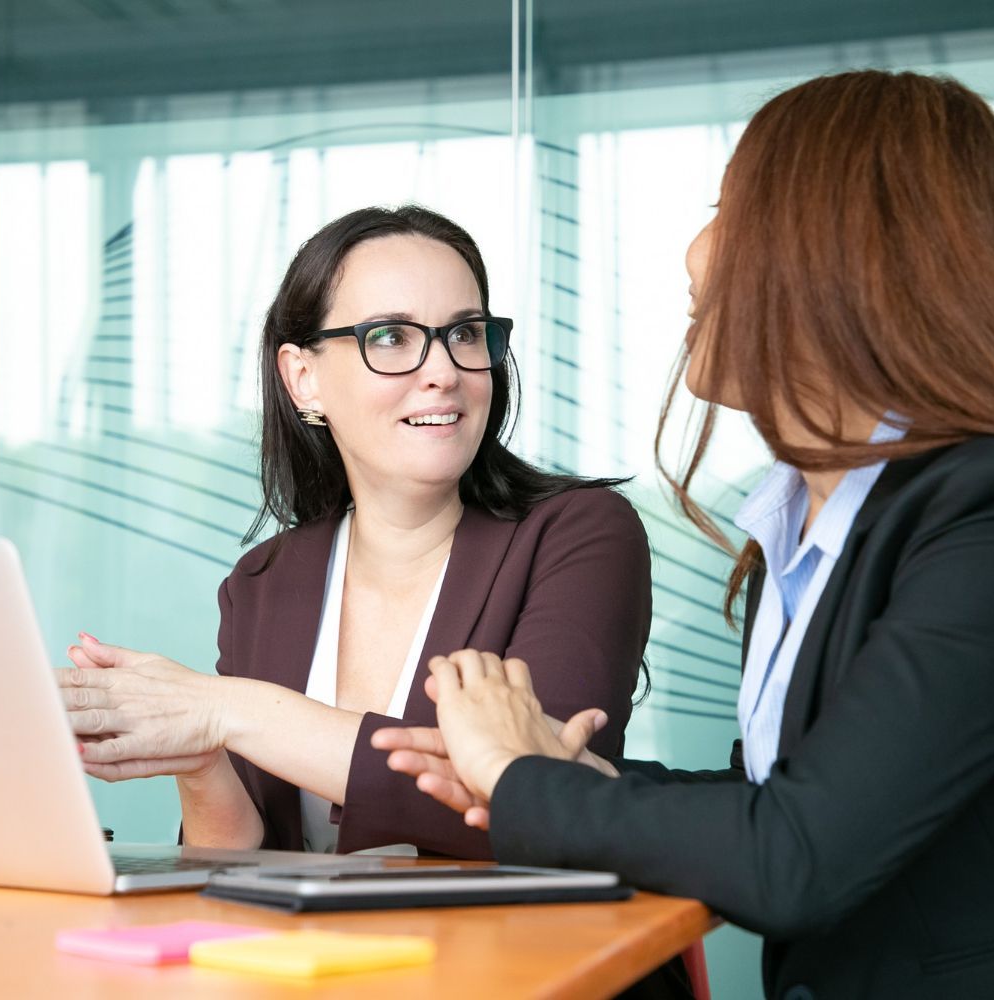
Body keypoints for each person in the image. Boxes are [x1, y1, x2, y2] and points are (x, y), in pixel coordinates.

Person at [376, 71, 994, 999]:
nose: (696, 250)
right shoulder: (813, 513)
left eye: (728, 204)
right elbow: (783, 801)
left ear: (842, 246)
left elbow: (797, 856)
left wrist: (514, 780)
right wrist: (564, 772)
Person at [54, 205, 651, 860]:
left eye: (465, 333)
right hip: (308, 961)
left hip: (517, 959)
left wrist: (225, 708)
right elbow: (238, 857)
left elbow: (537, 803)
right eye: (391, 336)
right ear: (303, 378)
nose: (444, 371)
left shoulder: (579, 536)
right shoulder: (264, 581)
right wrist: (200, 760)